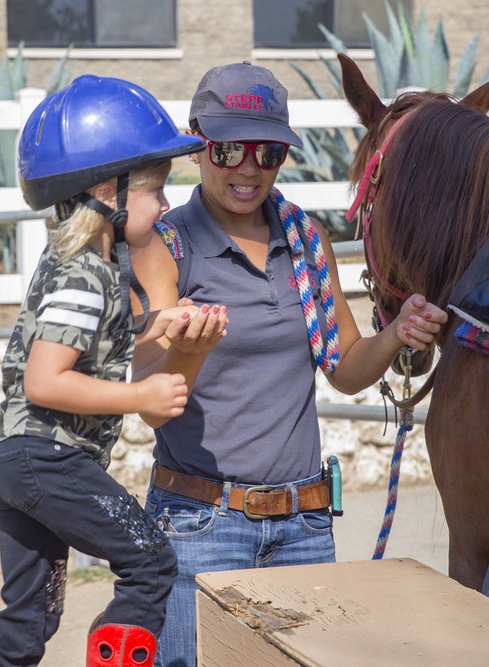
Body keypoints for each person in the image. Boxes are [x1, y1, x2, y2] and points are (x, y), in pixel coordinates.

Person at [130, 62, 449, 666]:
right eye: (229, 148)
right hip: (200, 524)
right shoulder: (166, 246)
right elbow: (150, 399)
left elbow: (346, 366)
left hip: (304, 525)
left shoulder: (306, 239)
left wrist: (396, 333)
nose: (249, 167)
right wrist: (190, 352)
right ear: (198, 146)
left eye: (268, 151)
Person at [0, 74, 227, 667]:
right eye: (156, 191)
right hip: (46, 457)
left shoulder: (80, 265)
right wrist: (140, 395)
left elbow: (82, 340)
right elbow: (46, 381)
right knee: (151, 561)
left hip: (15, 456)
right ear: (108, 191)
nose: (165, 206)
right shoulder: (86, 276)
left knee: (30, 619)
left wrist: (156, 323)